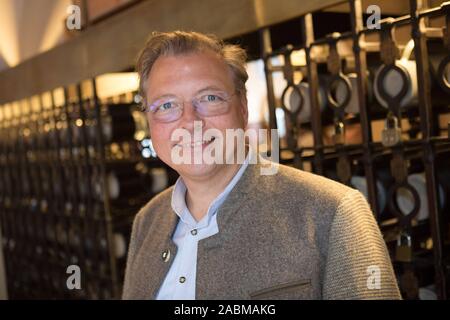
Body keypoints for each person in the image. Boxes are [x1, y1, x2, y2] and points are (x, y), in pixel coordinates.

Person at [122, 30, 401, 300]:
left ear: (243, 107)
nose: (190, 122)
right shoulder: (147, 222)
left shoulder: (333, 212)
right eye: (167, 105)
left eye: (209, 98)